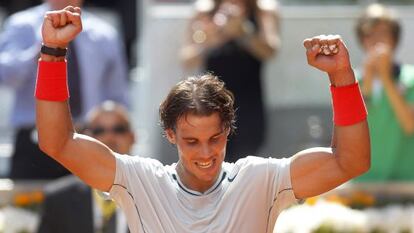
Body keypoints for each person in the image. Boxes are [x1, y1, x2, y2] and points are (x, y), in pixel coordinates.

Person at [35, 7, 370, 233]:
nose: (206, 153)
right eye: (191, 141)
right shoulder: (140, 180)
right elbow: (58, 143)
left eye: (215, 138)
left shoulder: (260, 178)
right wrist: (53, 51)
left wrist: (342, 77)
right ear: (170, 135)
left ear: (228, 130)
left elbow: (350, 162)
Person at [0, 0, 129, 179]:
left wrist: (114, 134)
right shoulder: (21, 24)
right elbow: (5, 76)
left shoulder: (104, 34)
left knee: (88, 205)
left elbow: (117, 96)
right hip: (33, 142)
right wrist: (45, 48)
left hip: (87, 138)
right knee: (30, 206)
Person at [180, 0, 280, 162]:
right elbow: (187, 59)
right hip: (210, 103)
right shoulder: (204, 11)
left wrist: (243, 33)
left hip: (249, 104)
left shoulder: (262, 10)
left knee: (246, 163)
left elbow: (270, 51)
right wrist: (214, 37)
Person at [37, 101, 134, 233]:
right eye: (99, 130)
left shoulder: (154, 191)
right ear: (86, 137)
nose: (109, 137)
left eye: (118, 129)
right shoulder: (59, 199)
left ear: (133, 137)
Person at [354, 4, 414, 181]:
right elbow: (351, 130)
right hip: (362, 183)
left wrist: (386, 78)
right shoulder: (350, 81)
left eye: (383, 34)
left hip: (404, 183)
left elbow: (410, 125)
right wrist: (368, 80)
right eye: (369, 35)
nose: (375, 41)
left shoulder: (410, 77)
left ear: (394, 40)